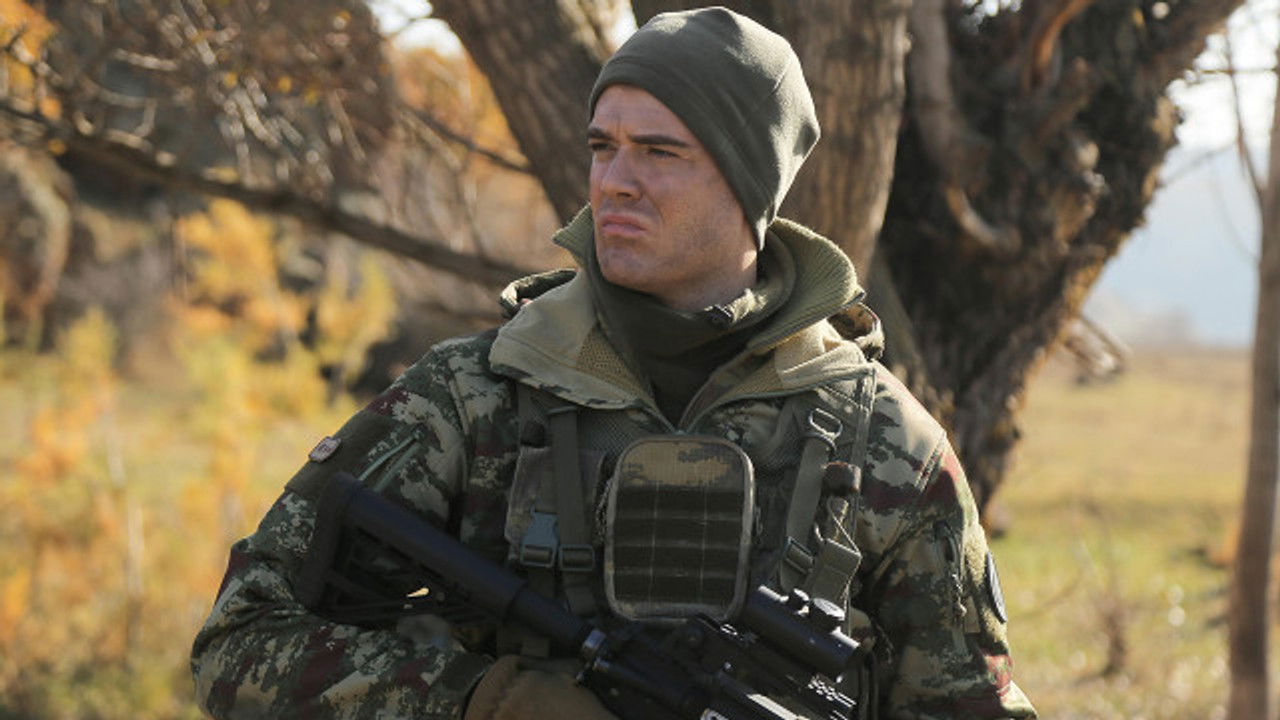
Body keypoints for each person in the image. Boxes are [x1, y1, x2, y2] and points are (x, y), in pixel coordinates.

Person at [191, 7, 1036, 719]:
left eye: (661, 153)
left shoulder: (885, 441)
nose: (614, 183)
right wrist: (489, 700)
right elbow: (242, 643)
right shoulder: (472, 396)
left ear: (749, 183)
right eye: (604, 147)